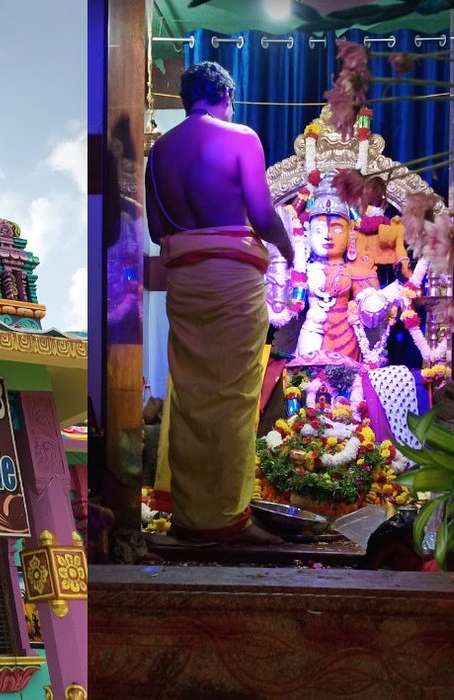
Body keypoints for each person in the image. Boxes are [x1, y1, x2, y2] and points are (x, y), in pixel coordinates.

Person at [146, 61, 294, 545]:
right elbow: (260, 211)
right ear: (227, 95)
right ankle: (229, 520)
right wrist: (286, 246)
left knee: (190, 395)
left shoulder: (158, 152)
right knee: (232, 397)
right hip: (232, 276)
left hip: (185, 278)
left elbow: (155, 230)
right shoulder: (241, 136)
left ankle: (191, 518)